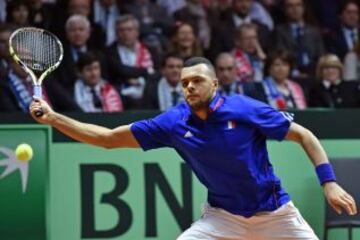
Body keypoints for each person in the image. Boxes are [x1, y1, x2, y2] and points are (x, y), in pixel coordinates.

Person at [29, 57, 357, 240]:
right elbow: (108, 139)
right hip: (221, 219)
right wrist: (55, 118)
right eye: (184, 82)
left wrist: (328, 182)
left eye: (196, 80)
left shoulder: (245, 109)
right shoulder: (173, 123)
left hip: (276, 214)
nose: (188, 86)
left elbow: (305, 135)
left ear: (214, 83)